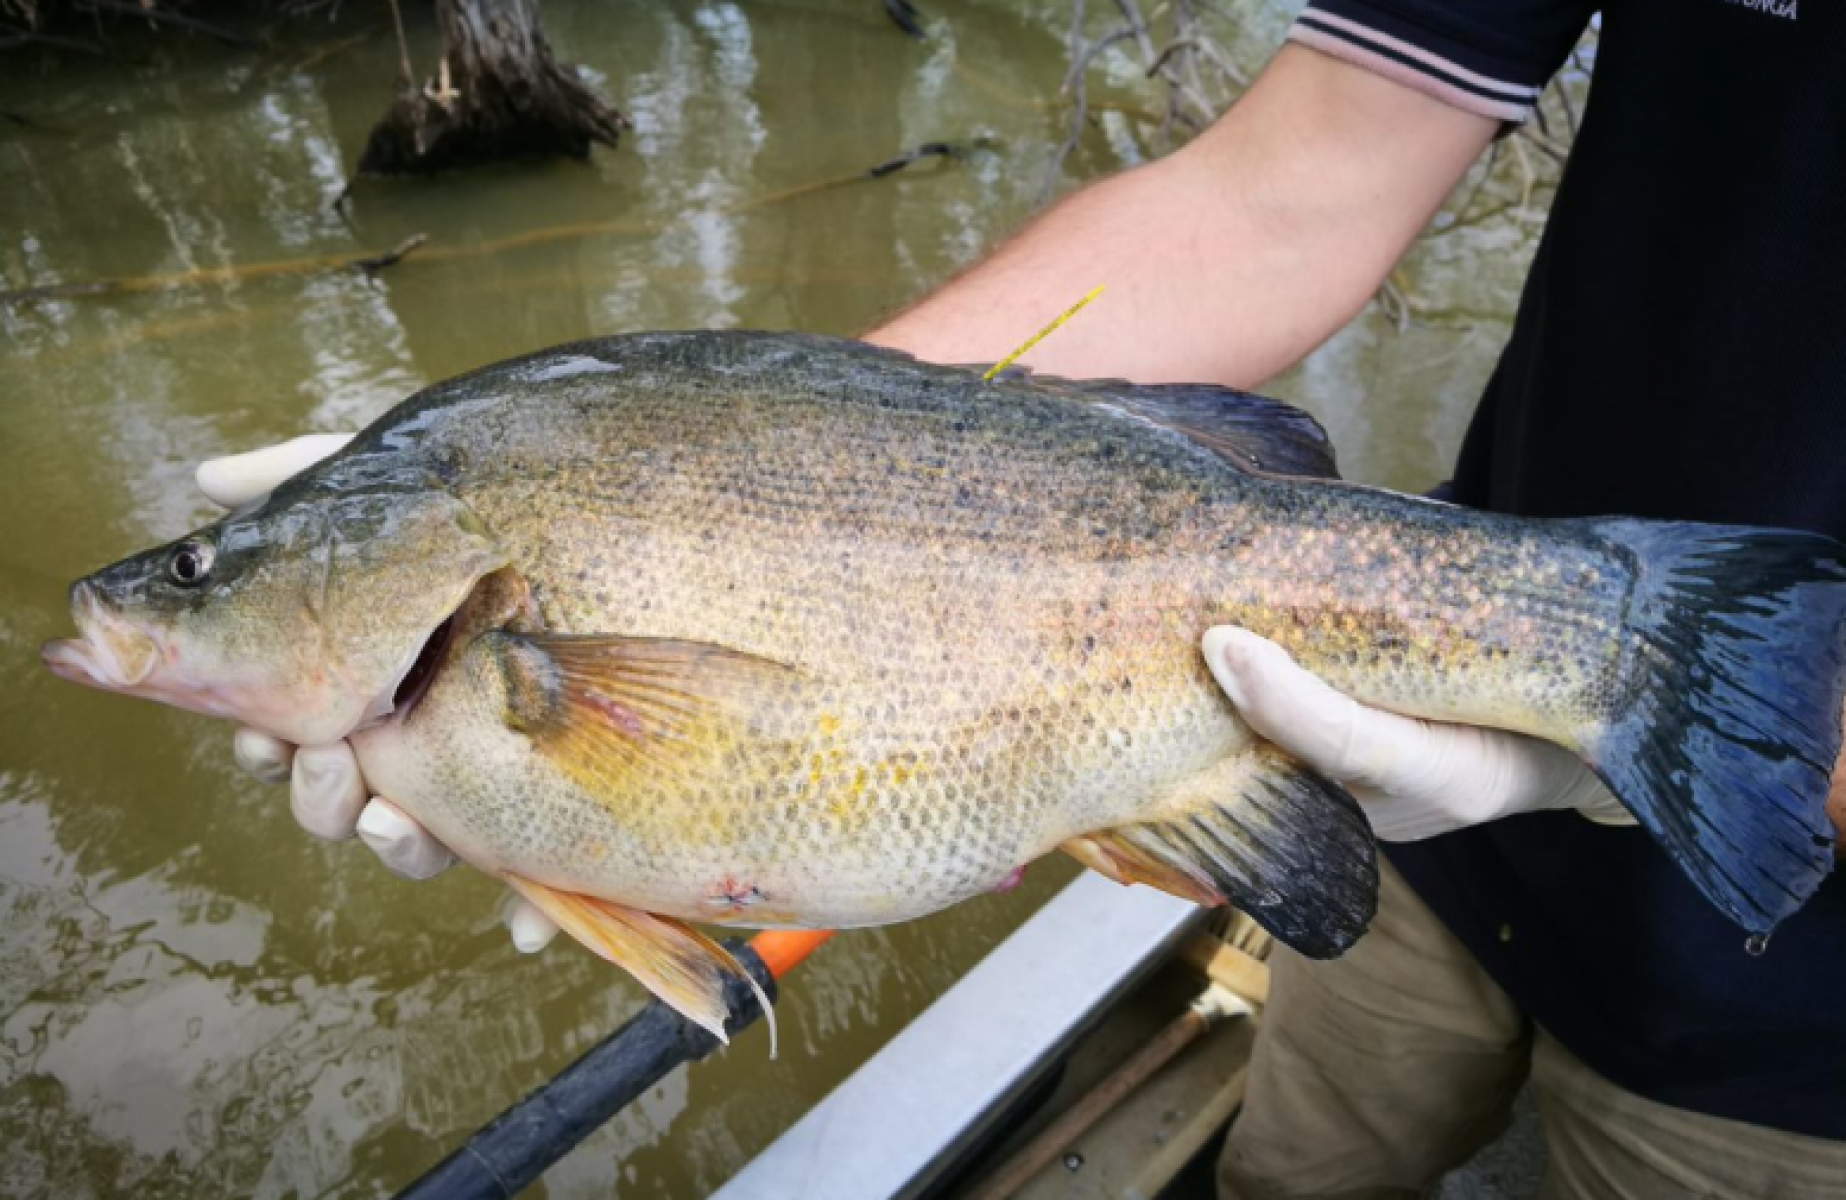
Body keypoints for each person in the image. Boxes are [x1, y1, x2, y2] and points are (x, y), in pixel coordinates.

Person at [200, 3, 1846, 1195]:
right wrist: (717, 449)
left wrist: (1777, 734)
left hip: (1792, 1044)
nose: (174, 602)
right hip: (1416, 837)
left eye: (207, 578)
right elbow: (1293, 178)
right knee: (1292, 1165)